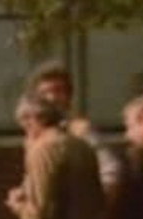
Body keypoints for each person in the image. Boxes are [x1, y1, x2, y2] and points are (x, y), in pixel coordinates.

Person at [26, 60, 121, 194]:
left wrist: (95, 201)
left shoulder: (81, 130)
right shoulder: (34, 134)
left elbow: (111, 170)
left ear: (69, 96)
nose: (52, 97)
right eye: (45, 92)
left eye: (58, 90)